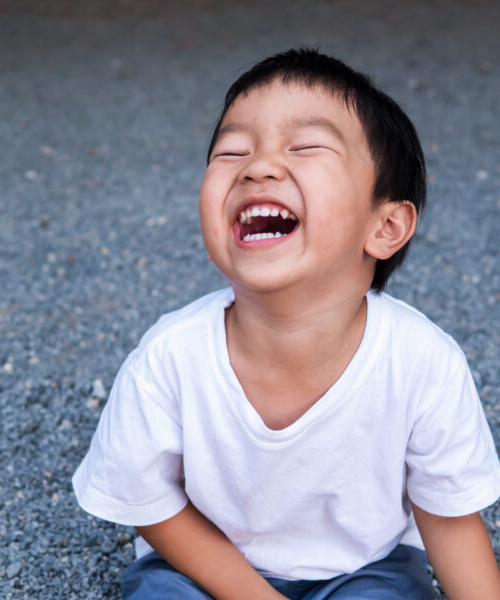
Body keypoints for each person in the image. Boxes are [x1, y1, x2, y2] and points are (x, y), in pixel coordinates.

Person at [72, 48, 500, 599]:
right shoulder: (170, 357)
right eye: (232, 151)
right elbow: (147, 503)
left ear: (387, 225)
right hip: (200, 568)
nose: (258, 166)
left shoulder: (422, 362)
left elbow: (447, 518)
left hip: (365, 567)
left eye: (305, 146)